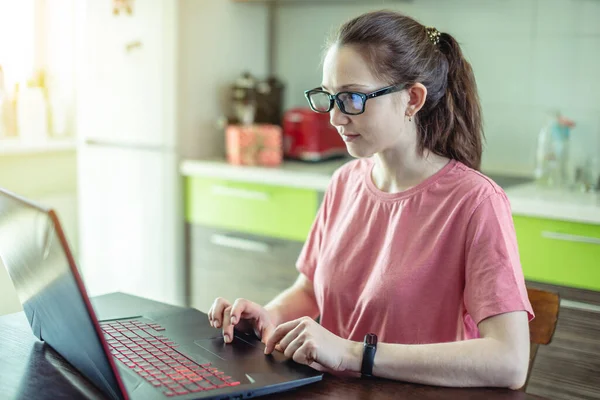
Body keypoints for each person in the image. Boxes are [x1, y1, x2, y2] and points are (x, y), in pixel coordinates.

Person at [208, 10, 534, 390]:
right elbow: (312, 289)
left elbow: (509, 361)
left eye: (351, 98)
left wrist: (352, 353)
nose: (334, 117)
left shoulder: (476, 202)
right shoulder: (344, 182)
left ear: (412, 99)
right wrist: (270, 314)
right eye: (329, 97)